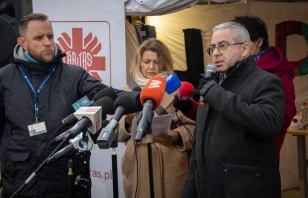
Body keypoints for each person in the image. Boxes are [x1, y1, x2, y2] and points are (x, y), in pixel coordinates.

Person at [0, 13, 141, 198]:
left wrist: (140, 99)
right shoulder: (3, 78)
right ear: (22, 42)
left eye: (50, 36)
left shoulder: (74, 75)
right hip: (20, 183)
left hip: (65, 181)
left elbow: (108, 94)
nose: (47, 42)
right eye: (39, 38)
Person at [178, 22, 286, 198]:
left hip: (246, 189)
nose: (215, 53)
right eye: (212, 48)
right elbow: (199, 150)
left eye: (223, 46)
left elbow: (269, 123)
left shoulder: (266, 82)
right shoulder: (212, 85)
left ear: (244, 49)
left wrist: (214, 93)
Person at [115, 38, 195, 198]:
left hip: (169, 162)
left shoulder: (177, 89)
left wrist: (175, 136)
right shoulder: (127, 91)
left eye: (156, 62)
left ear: (163, 63)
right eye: (146, 61)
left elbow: (194, 126)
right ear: (139, 62)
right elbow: (117, 131)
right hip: (137, 163)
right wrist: (128, 120)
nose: (151, 67)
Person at [232, 15, 296, 159]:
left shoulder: (277, 73)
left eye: (241, 42)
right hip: (232, 155)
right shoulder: (235, 68)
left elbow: (282, 117)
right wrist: (190, 107)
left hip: (259, 157)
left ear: (259, 41)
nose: (236, 47)